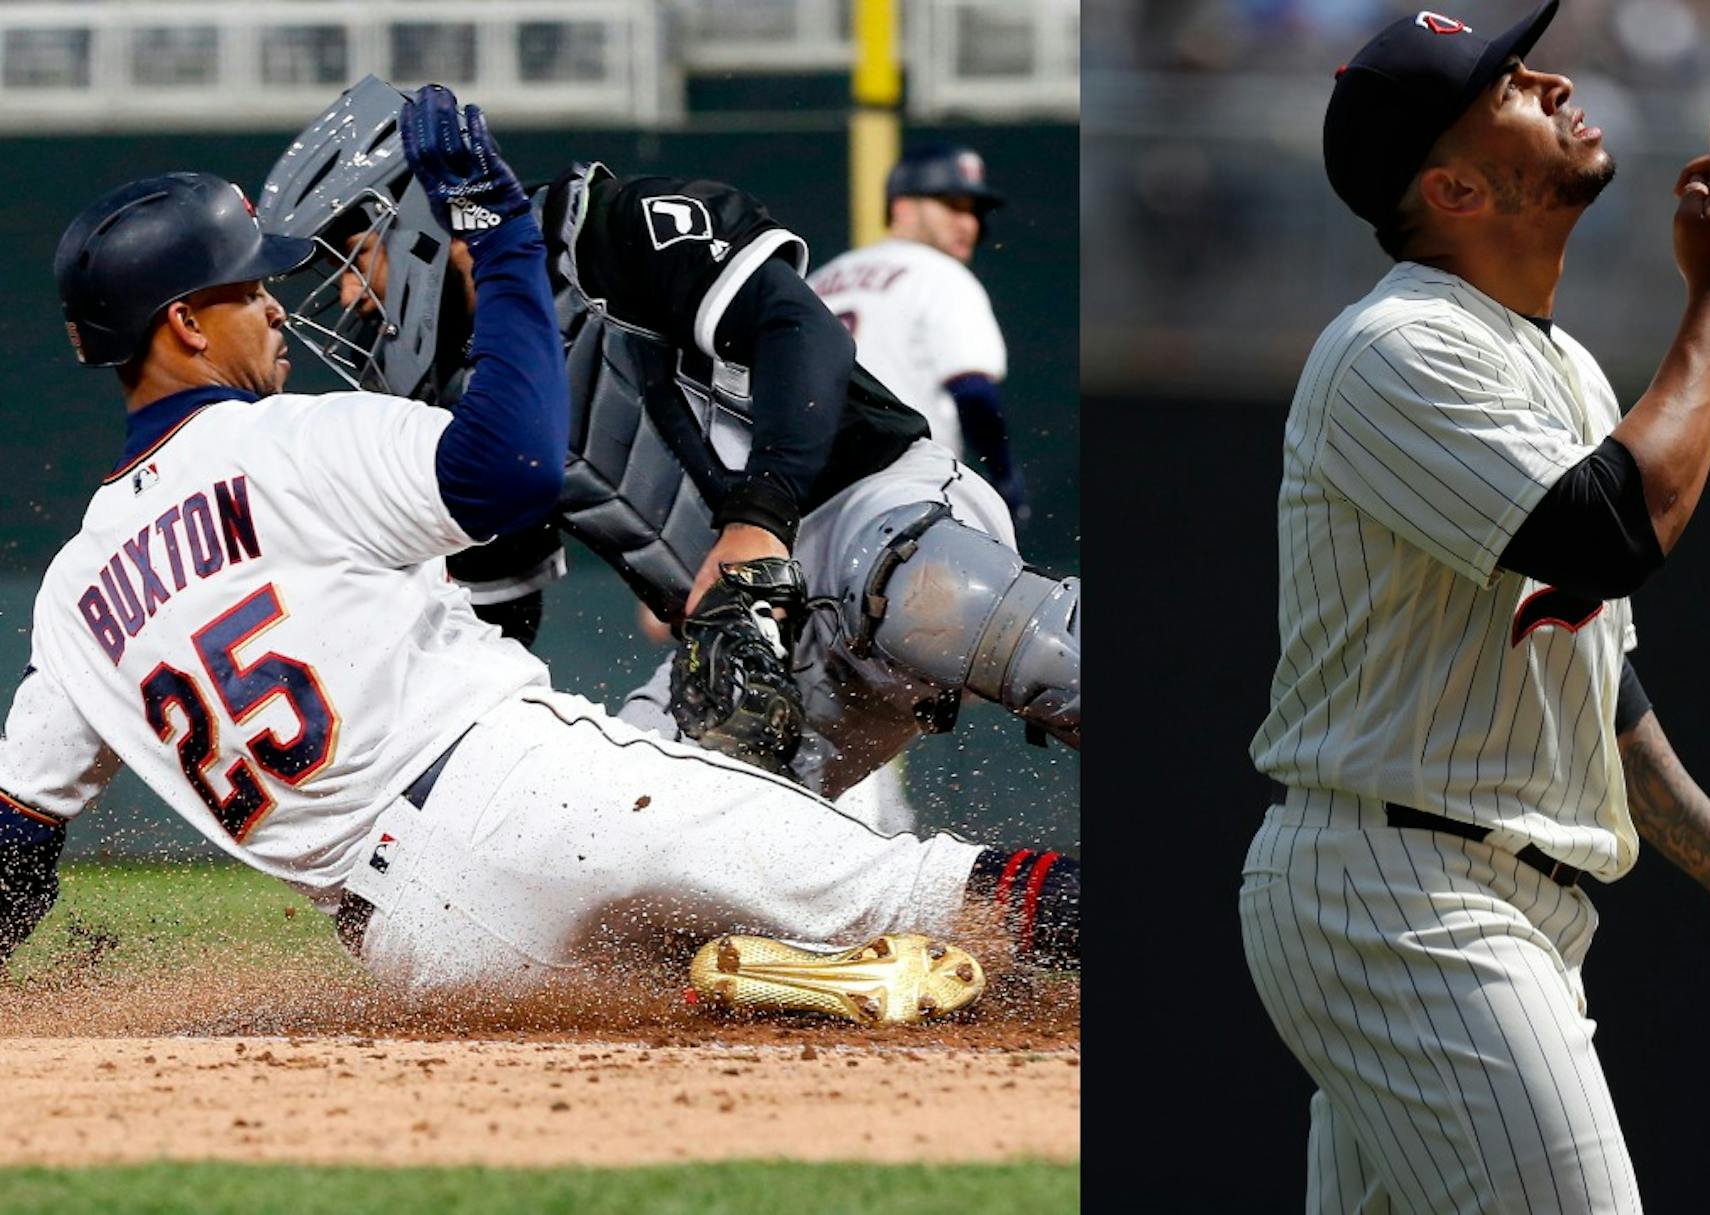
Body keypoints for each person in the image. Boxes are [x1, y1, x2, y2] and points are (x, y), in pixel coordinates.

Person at [0, 86, 1076, 1021]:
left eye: (343, 258)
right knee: (922, 896)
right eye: (262, 282)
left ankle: (780, 964)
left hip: (423, 936)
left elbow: (12, 851)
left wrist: (757, 520)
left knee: (941, 617)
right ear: (189, 325)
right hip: (566, 766)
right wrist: (498, 236)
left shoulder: (72, 597)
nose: (309, 301)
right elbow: (504, 514)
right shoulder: (314, 434)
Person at [1234, 4, 1710, 1208]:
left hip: (1472, 897)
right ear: (1456, 188)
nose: (1554, 78)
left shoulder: (1565, 369)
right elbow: (1611, 529)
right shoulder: (1397, 346)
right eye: (1510, 85)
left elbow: (1597, 679)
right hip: (1404, 900)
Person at [254, 80, 1079, 843]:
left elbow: (802, 331)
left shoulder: (605, 226)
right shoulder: (457, 404)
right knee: (611, 853)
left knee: (969, 613)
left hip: (869, 508)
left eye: (353, 257)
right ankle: (945, 938)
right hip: (741, 646)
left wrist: (758, 523)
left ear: (419, 220)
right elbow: (498, 617)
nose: (355, 300)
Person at [808, 143, 1028, 528]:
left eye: (974, 212)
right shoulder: (941, 274)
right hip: (903, 496)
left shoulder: (819, 282)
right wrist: (1004, 477)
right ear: (903, 208)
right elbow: (974, 390)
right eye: (952, 205)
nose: (970, 225)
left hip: (801, 500)